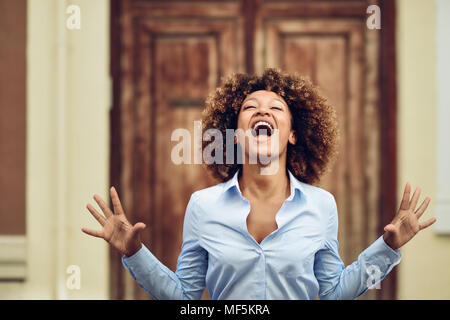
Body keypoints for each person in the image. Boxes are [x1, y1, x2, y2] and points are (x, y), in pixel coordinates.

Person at [82, 68, 436, 299]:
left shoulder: (321, 205)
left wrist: (387, 248)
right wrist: (134, 252)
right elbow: (185, 298)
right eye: (250, 107)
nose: (263, 111)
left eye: (276, 109)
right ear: (235, 135)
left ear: (294, 134)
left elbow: (332, 293)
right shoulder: (203, 206)